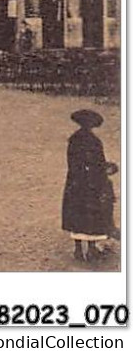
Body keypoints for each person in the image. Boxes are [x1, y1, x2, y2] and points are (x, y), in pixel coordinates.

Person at [62, 109, 118, 262]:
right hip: (91, 182)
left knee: (76, 214)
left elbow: (73, 163)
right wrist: (109, 169)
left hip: (75, 181)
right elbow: (98, 164)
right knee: (91, 214)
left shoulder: (73, 139)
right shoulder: (94, 141)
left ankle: (78, 250)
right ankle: (92, 249)